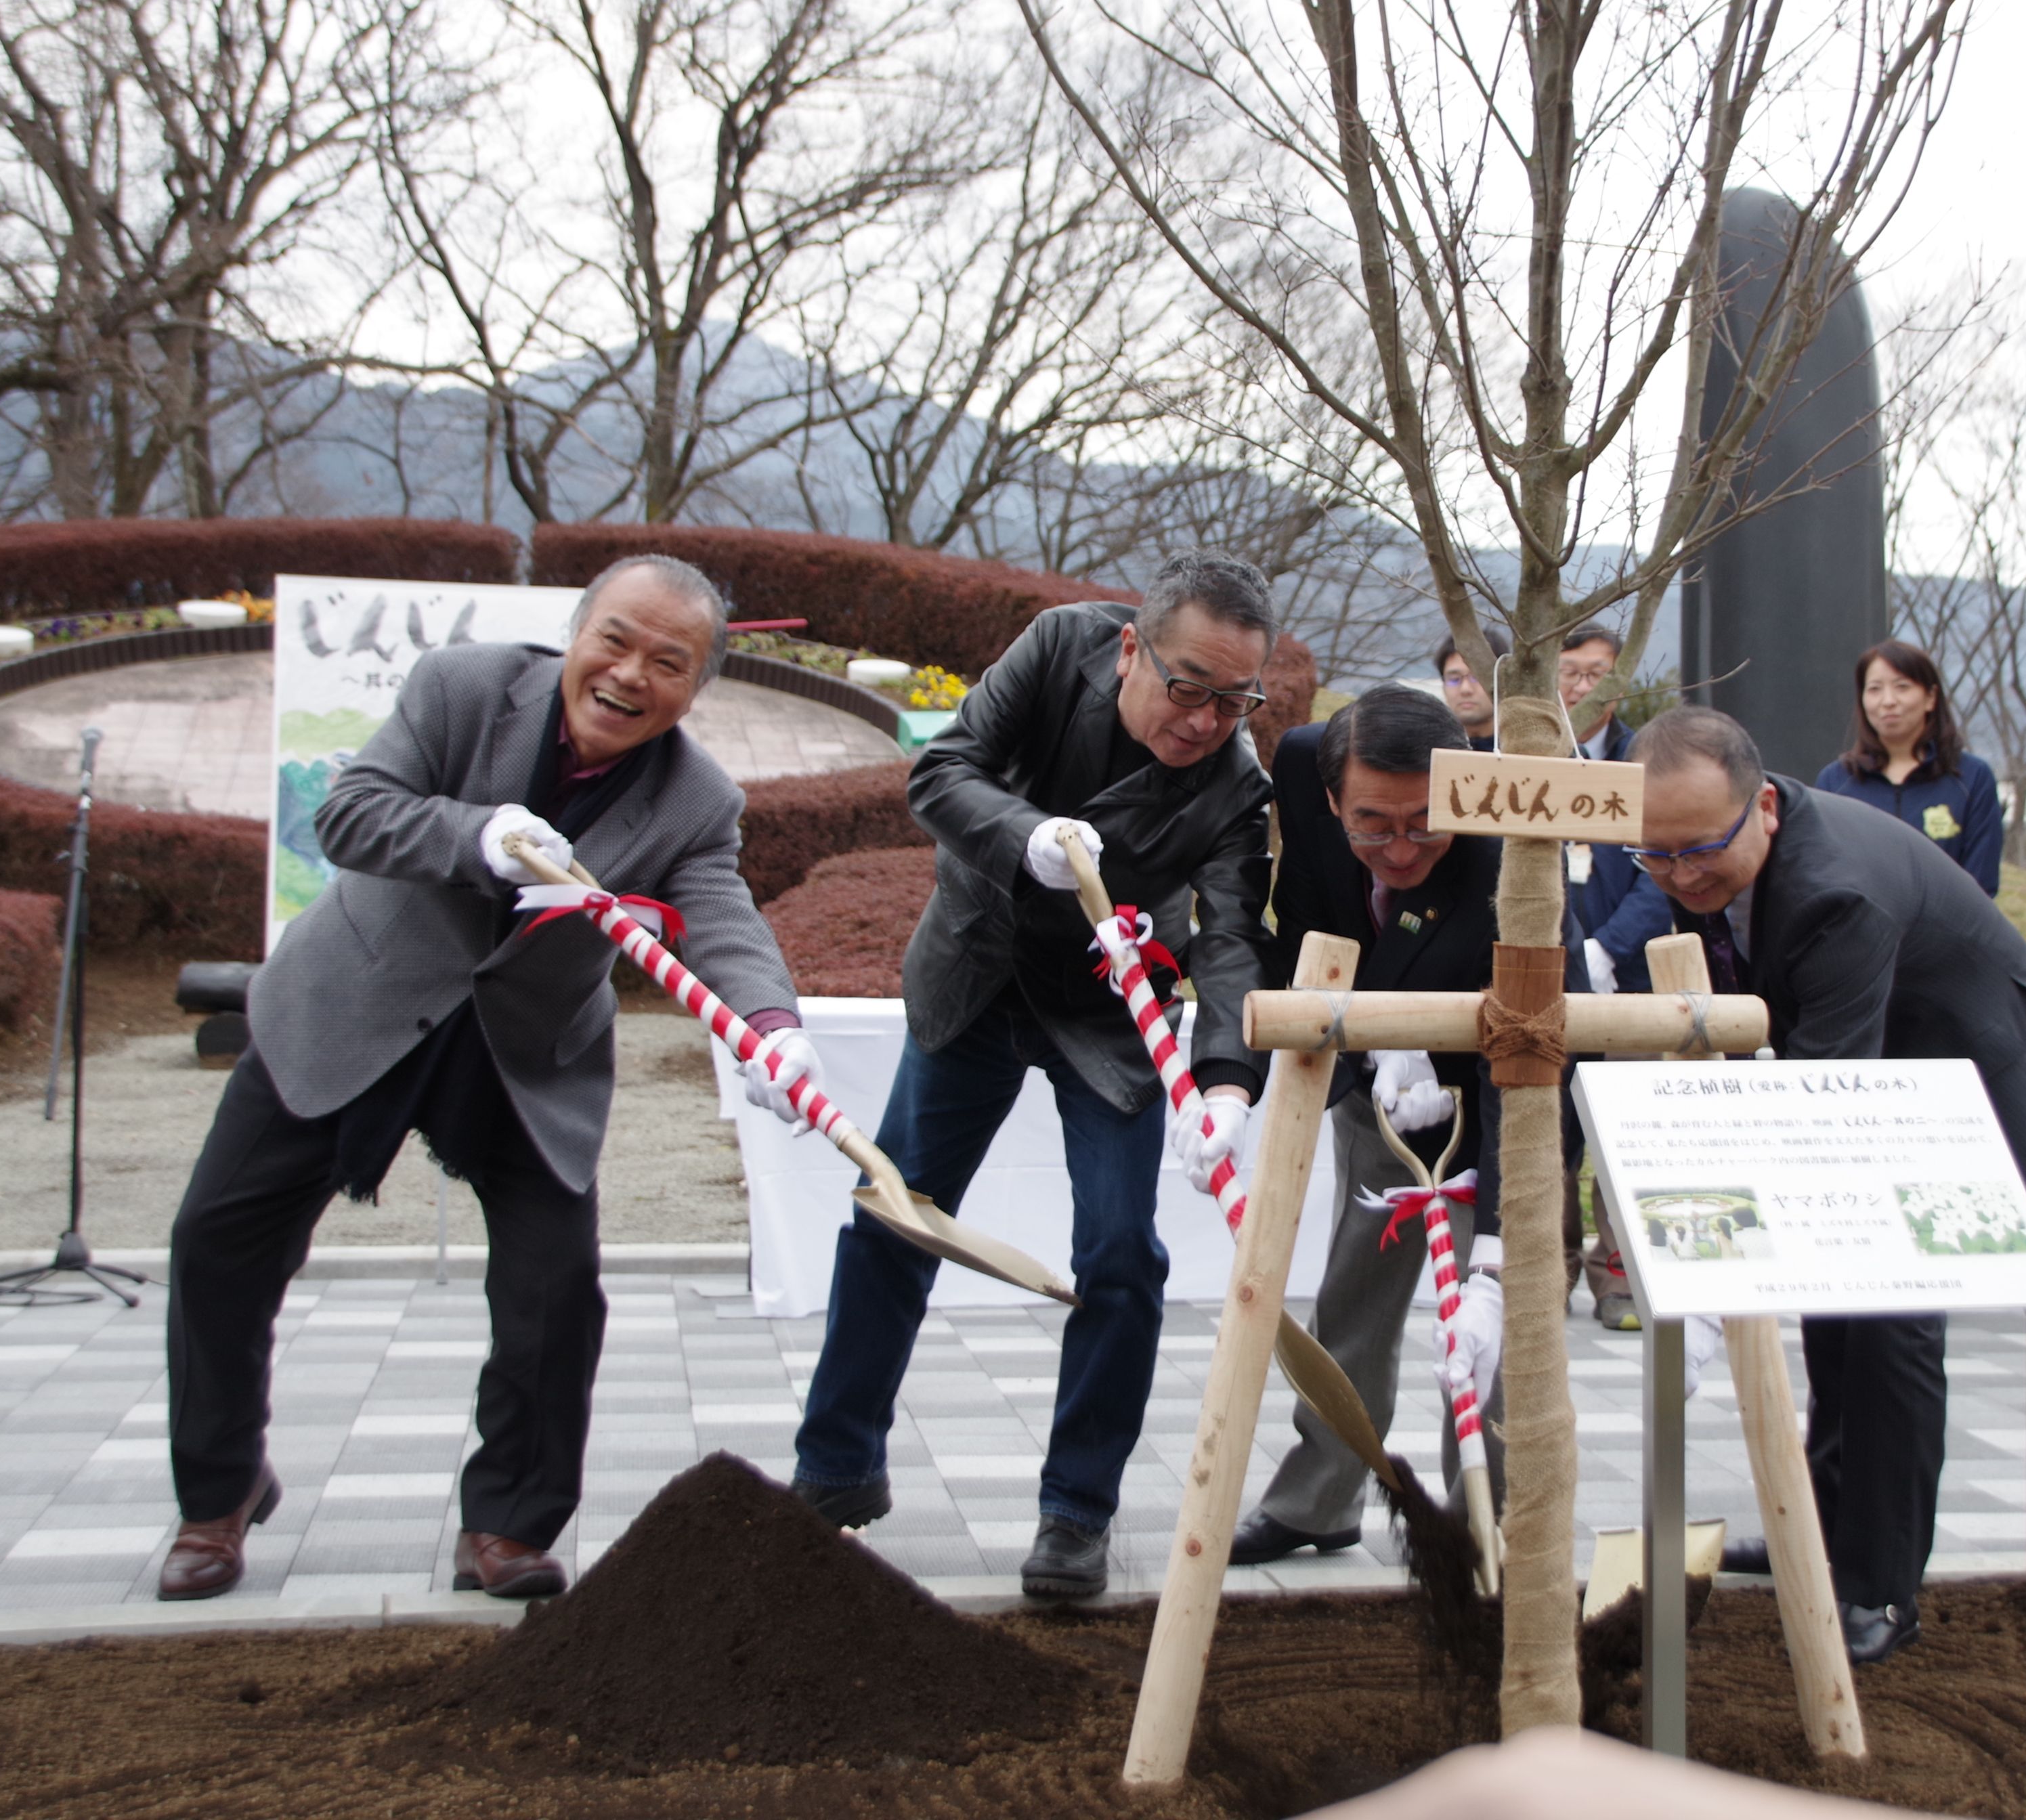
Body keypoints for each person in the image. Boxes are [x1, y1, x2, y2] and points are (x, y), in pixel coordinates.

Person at [157, 555, 817, 1603]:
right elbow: (351, 814)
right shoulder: (462, 688)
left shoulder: (696, 799)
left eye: (669, 662)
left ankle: (510, 1523)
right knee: (217, 1243)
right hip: (356, 1003)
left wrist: (772, 1027)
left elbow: (721, 917)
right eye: (615, 640)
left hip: (525, 1051)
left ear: (698, 689)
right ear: (577, 632)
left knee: (557, 1293)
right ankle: (219, 1494)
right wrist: (478, 835)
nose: (630, 674)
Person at [790, 553, 1280, 1599]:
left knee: (1120, 1253)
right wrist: (1027, 838)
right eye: (1188, 687)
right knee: (896, 1209)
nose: (1205, 721)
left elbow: (1234, 939)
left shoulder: (1238, 787)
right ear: (1131, 648)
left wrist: (1228, 1079)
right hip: (978, 971)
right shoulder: (1059, 646)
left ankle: (1078, 1512)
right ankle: (835, 1465)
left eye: (1235, 700)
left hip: (1114, 1014)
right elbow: (942, 773)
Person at [1630, 708, 2026, 1664]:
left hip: (1970, 1095)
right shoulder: (1702, 853)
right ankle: (1827, 1530)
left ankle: (1881, 1586)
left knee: (1887, 1325)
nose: (1682, 878)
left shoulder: (1838, 893)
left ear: (1761, 806)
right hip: (1883, 1081)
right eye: (1657, 858)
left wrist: (1722, 1260)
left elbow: (1818, 1106)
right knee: (1835, 1312)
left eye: (1701, 851)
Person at [1230, 685, 1589, 1561]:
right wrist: (1360, 1046)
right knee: (1354, 1301)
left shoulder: (1512, 841)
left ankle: (1488, 1532)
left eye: (1426, 824)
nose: (1400, 848)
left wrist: (1500, 1255)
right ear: (1331, 799)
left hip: (1501, 1093)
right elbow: (1300, 932)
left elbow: (1541, 1049)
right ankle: (1320, 1499)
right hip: (1373, 1089)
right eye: (1373, 825)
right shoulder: (1306, 773)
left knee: (1501, 1331)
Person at [1557, 620, 1666, 1328]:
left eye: (1598, 672)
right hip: (1547, 979)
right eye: (1569, 671)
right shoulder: (1526, 758)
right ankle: (1549, 1268)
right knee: (1547, 1135)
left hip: (1631, 981)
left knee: (1627, 1137)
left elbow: (1664, 873)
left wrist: (1605, 950)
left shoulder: (1650, 761)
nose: (1582, 686)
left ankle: (1620, 1275)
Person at [1812, 640, 2004, 896]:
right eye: (1875, 689)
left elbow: (1982, 883)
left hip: (1950, 934)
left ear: (1931, 698)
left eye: (1902, 687)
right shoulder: (1835, 782)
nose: (1888, 701)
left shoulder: (1971, 778)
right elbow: (1825, 875)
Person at [1435, 624, 1511, 749]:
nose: (1466, 689)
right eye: (1454, 679)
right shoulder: (1429, 751)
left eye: (1477, 678)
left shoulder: (1523, 749)